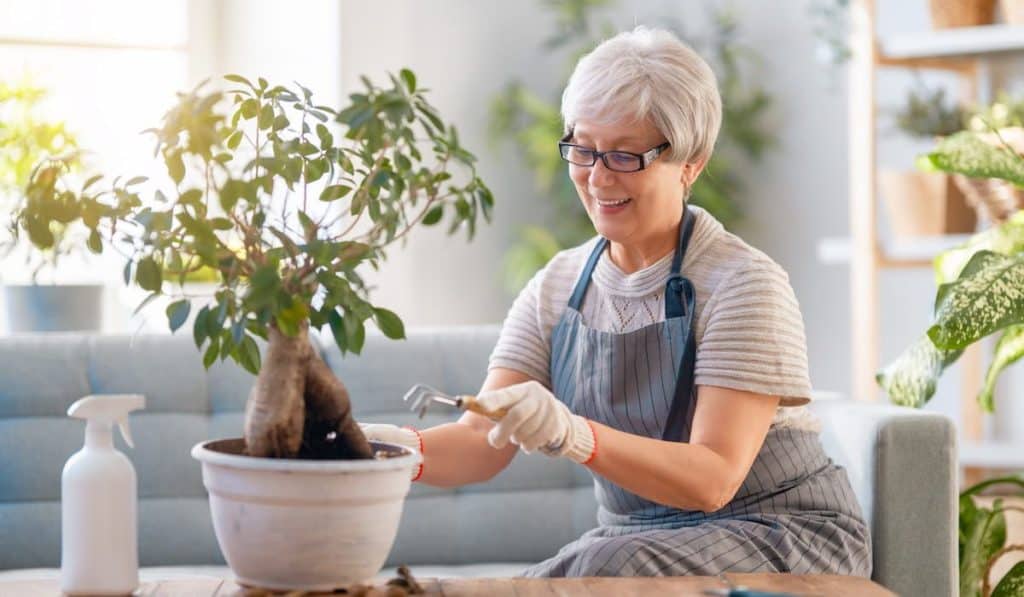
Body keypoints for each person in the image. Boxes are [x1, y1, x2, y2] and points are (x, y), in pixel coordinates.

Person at [361, 26, 871, 578]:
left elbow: (713, 478)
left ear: (690, 163)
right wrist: (388, 448)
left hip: (779, 533)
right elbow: (480, 442)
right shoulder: (556, 286)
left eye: (625, 156)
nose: (597, 177)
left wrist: (575, 435)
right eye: (583, 149)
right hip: (639, 542)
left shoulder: (744, 284)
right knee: (581, 569)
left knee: (591, 568)